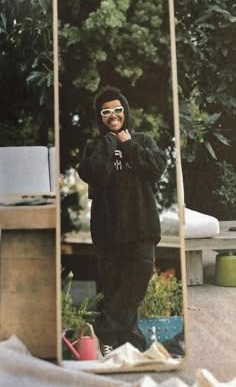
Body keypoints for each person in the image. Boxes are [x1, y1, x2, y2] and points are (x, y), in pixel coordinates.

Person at [78, 85, 166, 356]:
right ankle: (129, 344)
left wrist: (127, 145)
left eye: (117, 110)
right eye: (106, 112)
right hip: (108, 232)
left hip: (142, 228)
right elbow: (93, 174)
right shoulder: (94, 146)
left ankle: (104, 331)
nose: (113, 115)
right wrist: (109, 143)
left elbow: (157, 167)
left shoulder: (142, 140)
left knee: (135, 286)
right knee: (114, 289)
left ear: (125, 111)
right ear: (100, 116)